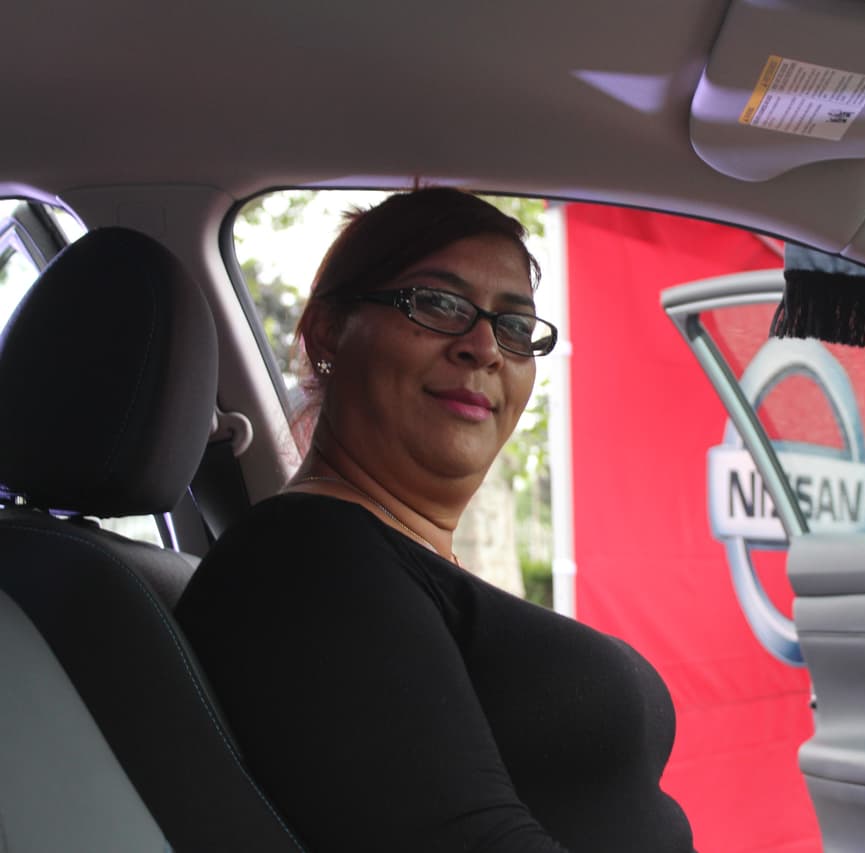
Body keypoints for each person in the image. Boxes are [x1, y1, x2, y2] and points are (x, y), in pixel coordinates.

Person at [177, 189, 693, 852]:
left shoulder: (378, 564)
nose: (484, 347)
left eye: (514, 326)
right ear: (327, 331)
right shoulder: (308, 563)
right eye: (439, 303)